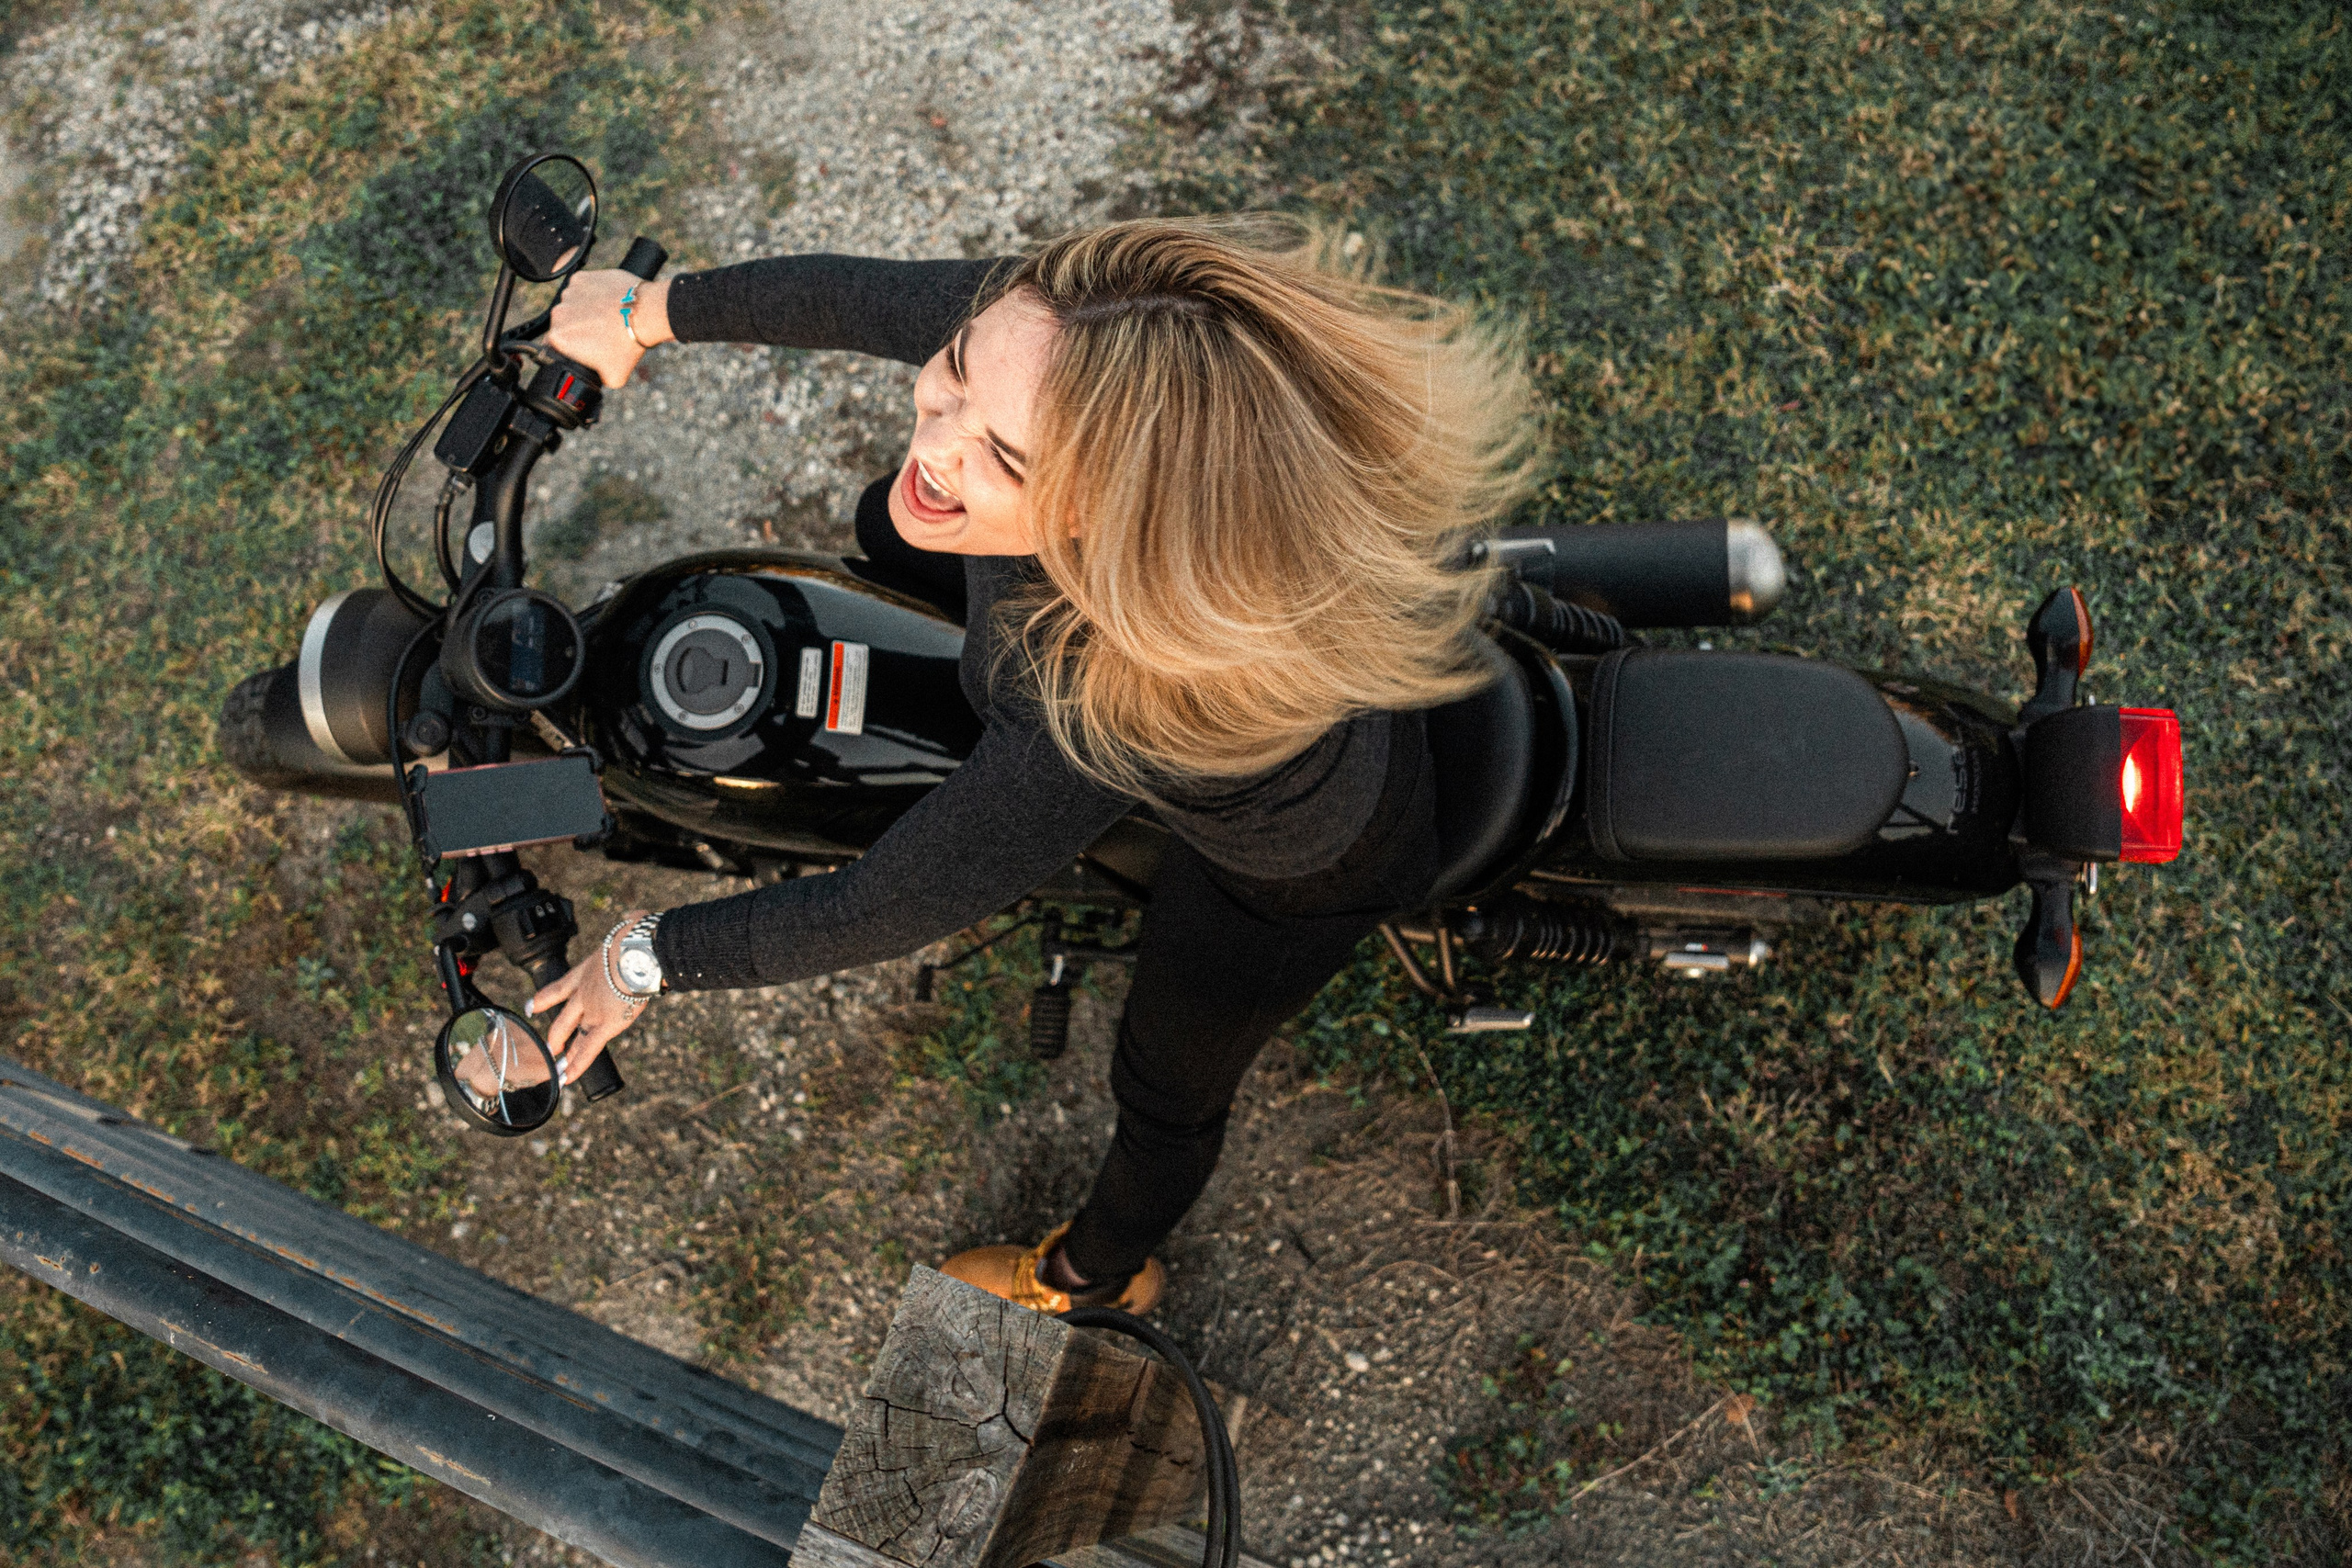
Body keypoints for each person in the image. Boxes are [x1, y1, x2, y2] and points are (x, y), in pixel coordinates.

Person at [530, 217, 1535, 1314]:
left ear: (1121, 522)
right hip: (1275, 668)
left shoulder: (1101, 691)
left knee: (1165, 1086)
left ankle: (1094, 1272)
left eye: (1006, 458)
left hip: (1314, 861)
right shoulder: (1058, 332)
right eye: (954, 377)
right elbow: (854, 299)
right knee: (895, 522)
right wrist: (648, 311)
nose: (938, 444)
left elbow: (885, 904)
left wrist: (645, 956)